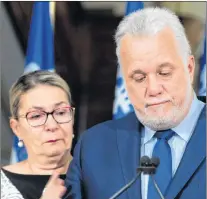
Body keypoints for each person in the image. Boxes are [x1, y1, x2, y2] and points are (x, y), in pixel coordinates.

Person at [64, 7, 206, 199]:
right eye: (139, 78)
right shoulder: (93, 147)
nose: (153, 88)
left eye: (164, 73)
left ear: (189, 69)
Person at [1, 70, 75, 199]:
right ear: (16, 128)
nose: (52, 126)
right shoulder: (3, 186)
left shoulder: (103, 176)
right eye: (36, 116)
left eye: (61, 112)